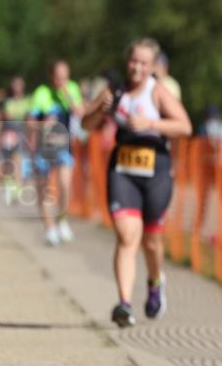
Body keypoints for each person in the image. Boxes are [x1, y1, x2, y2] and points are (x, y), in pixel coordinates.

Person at [82, 38, 192, 328]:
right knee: (127, 236)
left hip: (156, 170)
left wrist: (152, 124)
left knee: (152, 241)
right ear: (127, 61)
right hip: (123, 170)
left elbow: (185, 126)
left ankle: (155, 282)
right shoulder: (114, 92)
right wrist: (98, 111)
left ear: (152, 66)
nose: (137, 67)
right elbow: (85, 125)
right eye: (133, 61)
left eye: (144, 63)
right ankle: (124, 304)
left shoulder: (158, 93)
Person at [29, 61, 83, 245]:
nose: (61, 80)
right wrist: (43, 125)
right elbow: (30, 121)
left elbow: (80, 112)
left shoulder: (72, 89)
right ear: (51, 75)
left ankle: (62, 220)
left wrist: (67, 95)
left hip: (64, 147)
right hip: (44, 148)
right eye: (58, 76)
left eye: (64, 77)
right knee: (44, 191)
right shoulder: (41, 93)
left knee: (65, 185)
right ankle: (50, 228)